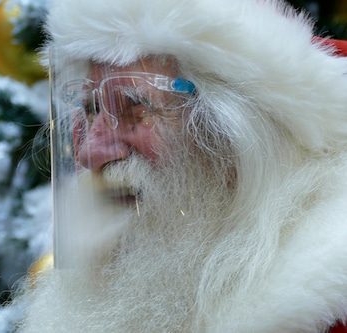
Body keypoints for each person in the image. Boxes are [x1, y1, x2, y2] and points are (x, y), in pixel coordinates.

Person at [19, 0, 347, 332]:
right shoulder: (102, 284)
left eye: (138, 109)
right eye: (90, 109)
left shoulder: (326, 313)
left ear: (240, 139)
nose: (91, 151)